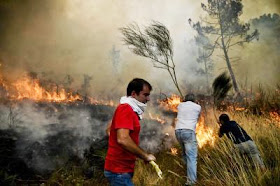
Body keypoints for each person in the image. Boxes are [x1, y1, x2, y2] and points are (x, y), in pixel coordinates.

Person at [104, 78, 156, 186]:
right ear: (133, 94)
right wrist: (145, 156)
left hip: (121, 170)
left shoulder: (128, 109)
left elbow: (109, 130)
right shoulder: (125, 109)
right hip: (119, 171)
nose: (148, 98)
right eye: (145, 95)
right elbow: (123, 139)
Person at [173, 93, 201, 185]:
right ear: (194, 99)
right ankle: (191, 182)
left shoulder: (180, 105)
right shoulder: (198, 107)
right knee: (192, 157)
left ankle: (183, 170)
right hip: (188, 132)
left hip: (178, 131)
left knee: (185, 153)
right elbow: (198, 117)